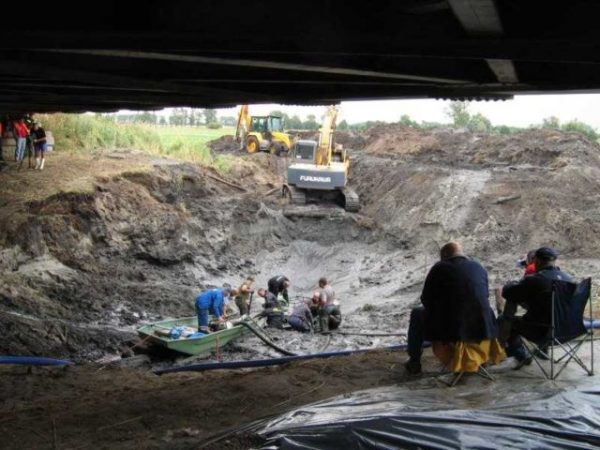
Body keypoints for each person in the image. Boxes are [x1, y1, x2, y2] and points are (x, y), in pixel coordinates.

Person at [404, 242, 500, 375]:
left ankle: (414, 361)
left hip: (451, 331)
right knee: (485, 309)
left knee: (417, 313)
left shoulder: (439, 268)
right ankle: (481, 359)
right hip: (482, 330)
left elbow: (425, 299)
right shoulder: (479, 267)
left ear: (444, 255)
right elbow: (484, 296)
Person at [498, 247, 574, 368]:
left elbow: (508, 293)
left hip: (542, 331)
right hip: (569, 330)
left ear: (537, 261)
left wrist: (510, 284)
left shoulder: (536, 280)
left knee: (504, 320)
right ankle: (542, 352)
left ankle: (519, 355)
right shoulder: (569, 278)